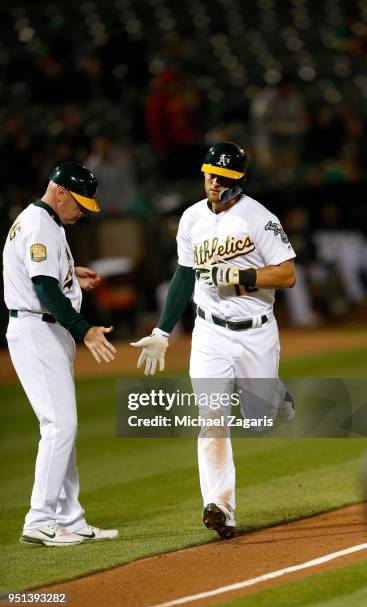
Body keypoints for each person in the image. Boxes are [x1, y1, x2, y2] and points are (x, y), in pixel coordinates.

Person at [131, 142, 296, 539]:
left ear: (238, 181)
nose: (213, 181)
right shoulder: (190, 218)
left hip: (256, 331)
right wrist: (161, 331)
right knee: (212, 420)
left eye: (222, 177)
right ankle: (220, 505)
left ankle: (274, 398)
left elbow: (287, 274)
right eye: (209, 173)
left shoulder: (259, 218)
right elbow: (183, 275)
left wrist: (244, 277)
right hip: (209, 333)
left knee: (257, 420)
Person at [3, 162, 119, 547]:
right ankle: (39, 519)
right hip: (38, 330)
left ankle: (70, 517)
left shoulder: (45, 221)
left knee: (61, 428)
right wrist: (84, 330)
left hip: (46, 328)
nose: (83, 211)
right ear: (60, 192)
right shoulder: (38, 224)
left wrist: (70, 272)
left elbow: (47, 276)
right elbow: (43, 288)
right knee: (59, 426)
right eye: (80, 202)